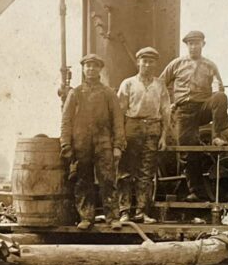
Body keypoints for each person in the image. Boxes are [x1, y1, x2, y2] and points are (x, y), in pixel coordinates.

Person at [160, 30, 228, 201]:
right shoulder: (176, 64)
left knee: (220, 97)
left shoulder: (210, 65)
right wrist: (169, 104)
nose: (193, 47)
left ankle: (217, 137)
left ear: (202, 45)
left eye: (197, 43)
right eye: (190, 43)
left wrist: (216, 90)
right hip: (184, 111)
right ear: (187, 45)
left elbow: (219, 87)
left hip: (204, 107)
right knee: (188, 150)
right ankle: (196, 191)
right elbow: (160, 85)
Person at [60, 54, 125, 231]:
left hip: (104, 142)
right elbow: (66, 121)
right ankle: (86, 217)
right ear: (83, 69)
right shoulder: (76, 93)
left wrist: (118, 145)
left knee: (108, 179)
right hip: (81, 143)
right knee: (83, 180)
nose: (91, 69)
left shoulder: (108, 93)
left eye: (94, 66)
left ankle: (112, 217)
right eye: (88, 66)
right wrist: (66, 144)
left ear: (100, 69)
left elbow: (118, 121)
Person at [117, 47, 170, 223]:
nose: (147, 64)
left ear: (155, 64)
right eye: (144, 61)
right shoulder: (128, 83)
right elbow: (120, 112)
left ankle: (141, 211)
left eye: (151, 61)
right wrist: (120, 137)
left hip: (153, 128)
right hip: (132, 126)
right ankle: (124, 211)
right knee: (126, 171)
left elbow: (165, 112)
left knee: (146, 172)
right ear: (138, 62)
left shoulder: (160, 85)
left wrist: (163, 137)